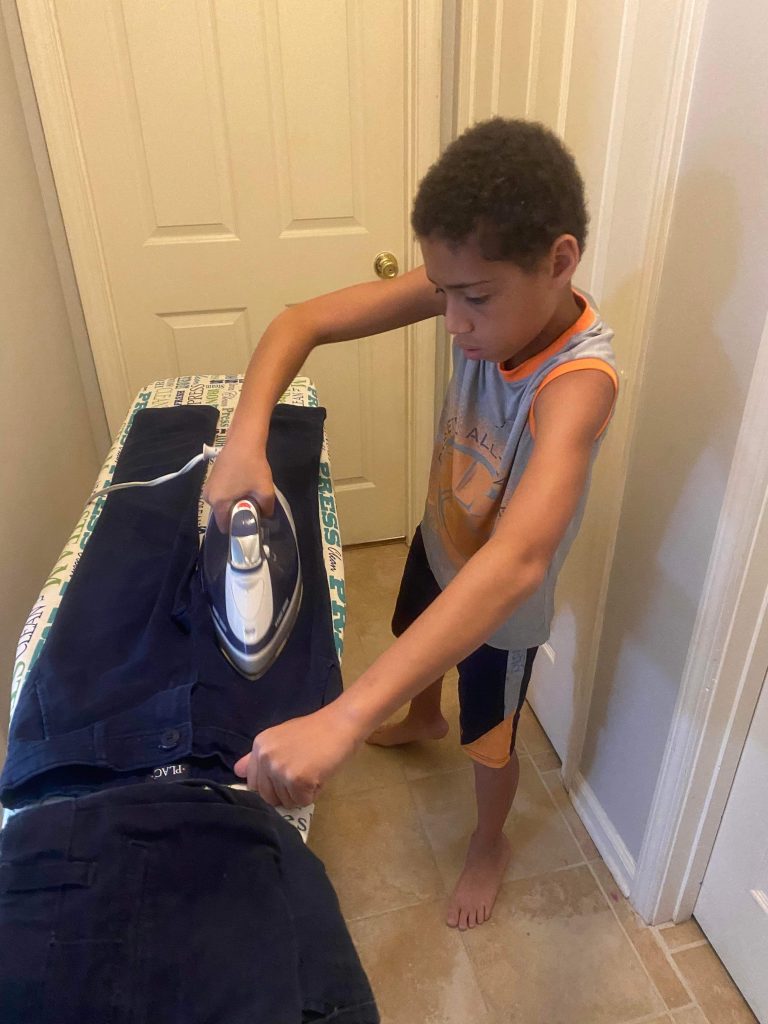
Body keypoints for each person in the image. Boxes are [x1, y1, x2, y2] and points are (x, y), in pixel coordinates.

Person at [204, 118, 618, 931]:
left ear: (560, 261)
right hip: (443, 534)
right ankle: (422, 713)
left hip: (501, 605)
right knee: (414, 631)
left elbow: (520, 561)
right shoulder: (464, 285)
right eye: (442, 293)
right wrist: (243, 439)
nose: (453, 323)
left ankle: (489, 842)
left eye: (475, 299)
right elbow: (299, 321)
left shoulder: (580, 383)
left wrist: (347, 716)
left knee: (489, 740)